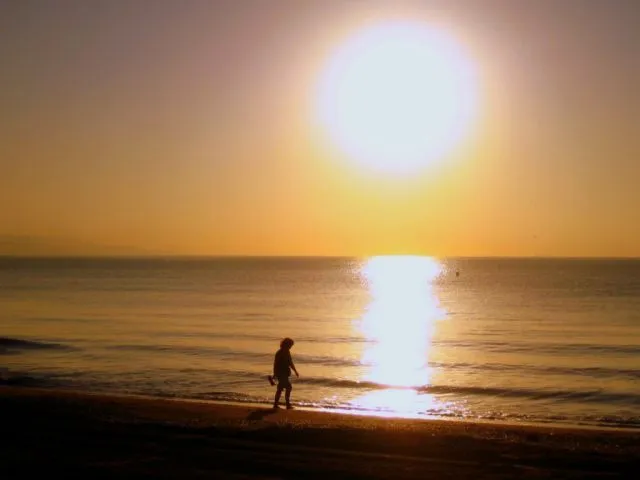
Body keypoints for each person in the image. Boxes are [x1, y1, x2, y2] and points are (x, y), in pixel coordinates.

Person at [268, 337, 299, 409]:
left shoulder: (287, 352)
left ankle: (276, 404)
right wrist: (275, 373)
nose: (291, 347)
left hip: (285, 372)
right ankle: (287, 404)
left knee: (280, 388)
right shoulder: (280, 352)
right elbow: (275, 364)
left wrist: (295, 371)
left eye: (291, 345)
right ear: (286, 344)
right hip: (280, 373)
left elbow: (290, 362)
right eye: (290, 345)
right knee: (288, 387)